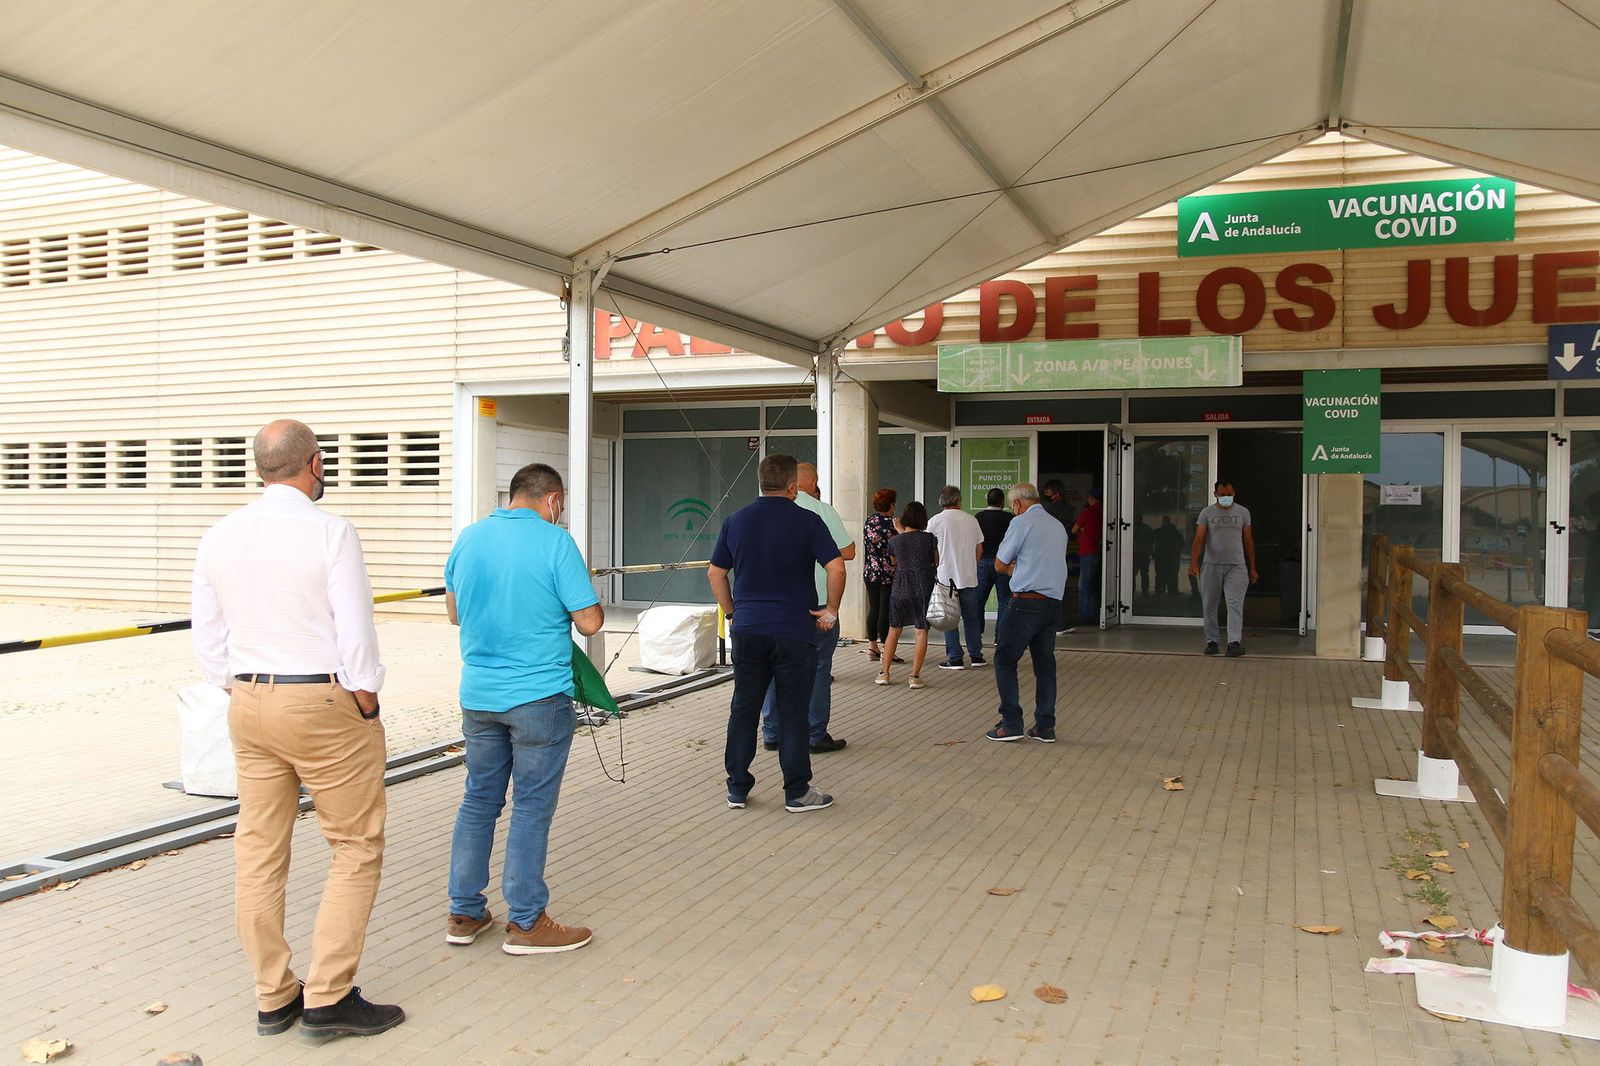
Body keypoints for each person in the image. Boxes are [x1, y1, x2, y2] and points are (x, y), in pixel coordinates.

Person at [191, 419, 403, 1041]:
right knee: (356, 844)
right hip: (321, 703)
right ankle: (330, 997)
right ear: (313, 463)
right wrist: (365, 697)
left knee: (258, 850)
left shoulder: (219, 535)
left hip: (248, 702)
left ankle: (274, 994)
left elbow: (207, 634)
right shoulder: (330, 531)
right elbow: (355, 627)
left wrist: (235, 686)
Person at [443, 462, 604, 957]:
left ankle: (465, 912)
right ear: (553, 500)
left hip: (479, 696)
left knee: (479, 800)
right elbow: (592, 622)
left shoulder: (469, 539)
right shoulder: (556, 543)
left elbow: (453, 613)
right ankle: (527, 922)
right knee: (532, 806)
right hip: (538, 698)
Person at [707, 454, 843, 813]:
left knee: (744, 707)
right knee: (793, 711)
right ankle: (796, 791)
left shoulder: (735, 521)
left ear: (760, 483)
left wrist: (733, 612)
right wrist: (831, 609)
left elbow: (715, 574)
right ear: (793, 487)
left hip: (749, 629)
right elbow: (837, 565)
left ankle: (737, 787)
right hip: (794, 630)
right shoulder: (808, 521)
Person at [760, 462, 855, 755]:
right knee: (818, 668)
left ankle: (772, 732)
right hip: (816, 606)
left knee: (773, 667)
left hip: (773, 605)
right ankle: (815, 734)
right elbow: (848, 553)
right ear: (811, 482)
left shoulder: (758, 513)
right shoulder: (821, 511)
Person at [987, 482, 1069, 743]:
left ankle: (1011, 723)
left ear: (1017, 504)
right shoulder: (1057, 526)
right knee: (1045, 664)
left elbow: (1000, 563)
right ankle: (1045, 726)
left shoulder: (1021, 523)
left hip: (1025, 602)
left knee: (1004, 659)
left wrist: (1013, 569)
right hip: (1052, 603)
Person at [1190, 480, 1258, 657]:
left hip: (1236, 565)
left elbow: (1248, 541)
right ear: (1215, 494)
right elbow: (1199, 538)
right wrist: (1193, 562)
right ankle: (1212, 641)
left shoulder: (1243, 512)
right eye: (1222, 494)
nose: (1226, 497)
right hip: (1211, 565)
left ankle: (1234, 643)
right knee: (1209, 604)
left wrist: (1252, 568)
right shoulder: (1207, 513)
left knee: (1235, 605)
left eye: (1229, 494)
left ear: (1234, 493)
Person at [878, 500, 938, 689]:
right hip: (923, 585)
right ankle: (914, 676)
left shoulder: (895, 540)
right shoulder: (929, 539)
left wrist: (900, 533)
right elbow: (936, 560)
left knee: (894, 629)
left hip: (900, 586)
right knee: (921, 631)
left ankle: (884, 673)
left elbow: (894, 561)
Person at [926, 485, 985, 669]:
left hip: (946, 576)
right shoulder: (971, 520)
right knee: (971, 618)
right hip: (968, 576)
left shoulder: (935, 521)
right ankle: (976, 656)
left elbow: (929, 548)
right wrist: (970, 563)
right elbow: (979, 549)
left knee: (949, 617)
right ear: (959, 500)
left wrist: (937, 563)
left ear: (941, 501)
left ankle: (955, 658)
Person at [862, 487, 900, 663]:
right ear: (891, 505)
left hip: (870, 570)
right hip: (887, 571)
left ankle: (872, 646)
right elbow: (897, 548)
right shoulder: (892, 524)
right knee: (886, 609)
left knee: (874, 608)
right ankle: (887, 649)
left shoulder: (869, 521)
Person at [974, 487, 1013, 639]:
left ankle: (976, 636)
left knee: (978, 601)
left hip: (982, 562)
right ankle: (1000, 637)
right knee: (1004, 600)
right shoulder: (1008, 518)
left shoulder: (979, 517)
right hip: (1003, 563)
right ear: (1002, 502)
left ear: (987, 500)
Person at [1041, 479, 1075, 632]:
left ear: (1056, 492)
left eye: (1048, 491)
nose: (1046, 494)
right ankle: (1063, 620)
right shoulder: (1067, 508)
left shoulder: (1051, 509)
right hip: (1063, 548)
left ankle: (1057, 622)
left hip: (1051, 550)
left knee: (1051, 587)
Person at [1071, 487, 1104, 628]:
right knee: (1095, 585)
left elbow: (1074, 530)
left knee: (1084, 586)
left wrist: (1083, 529)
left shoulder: (1088, 511)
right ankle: (1097, 614)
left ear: (1090, 497)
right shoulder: (1105, 510)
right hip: (1100, 550)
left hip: (1087, 551)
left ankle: (1085, 616)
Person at [1153, 515, 1185, 596]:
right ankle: (1166, 589)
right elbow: (1182, 543)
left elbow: (1181, 543)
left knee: (1167, 574)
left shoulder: (1160, 532)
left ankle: (1164, 589)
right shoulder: (1173, 533)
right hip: (1166, 556)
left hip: (1167, 556)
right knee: (1167, 574)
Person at [1132, 515, 1153, 596]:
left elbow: (1152, 539)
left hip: (1143, 553)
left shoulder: (1146, 528)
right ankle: (1132, 589)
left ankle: (1145, 590)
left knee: (1144, 573)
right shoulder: (1133, 527)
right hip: (1135, 553)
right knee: (1133, 574)